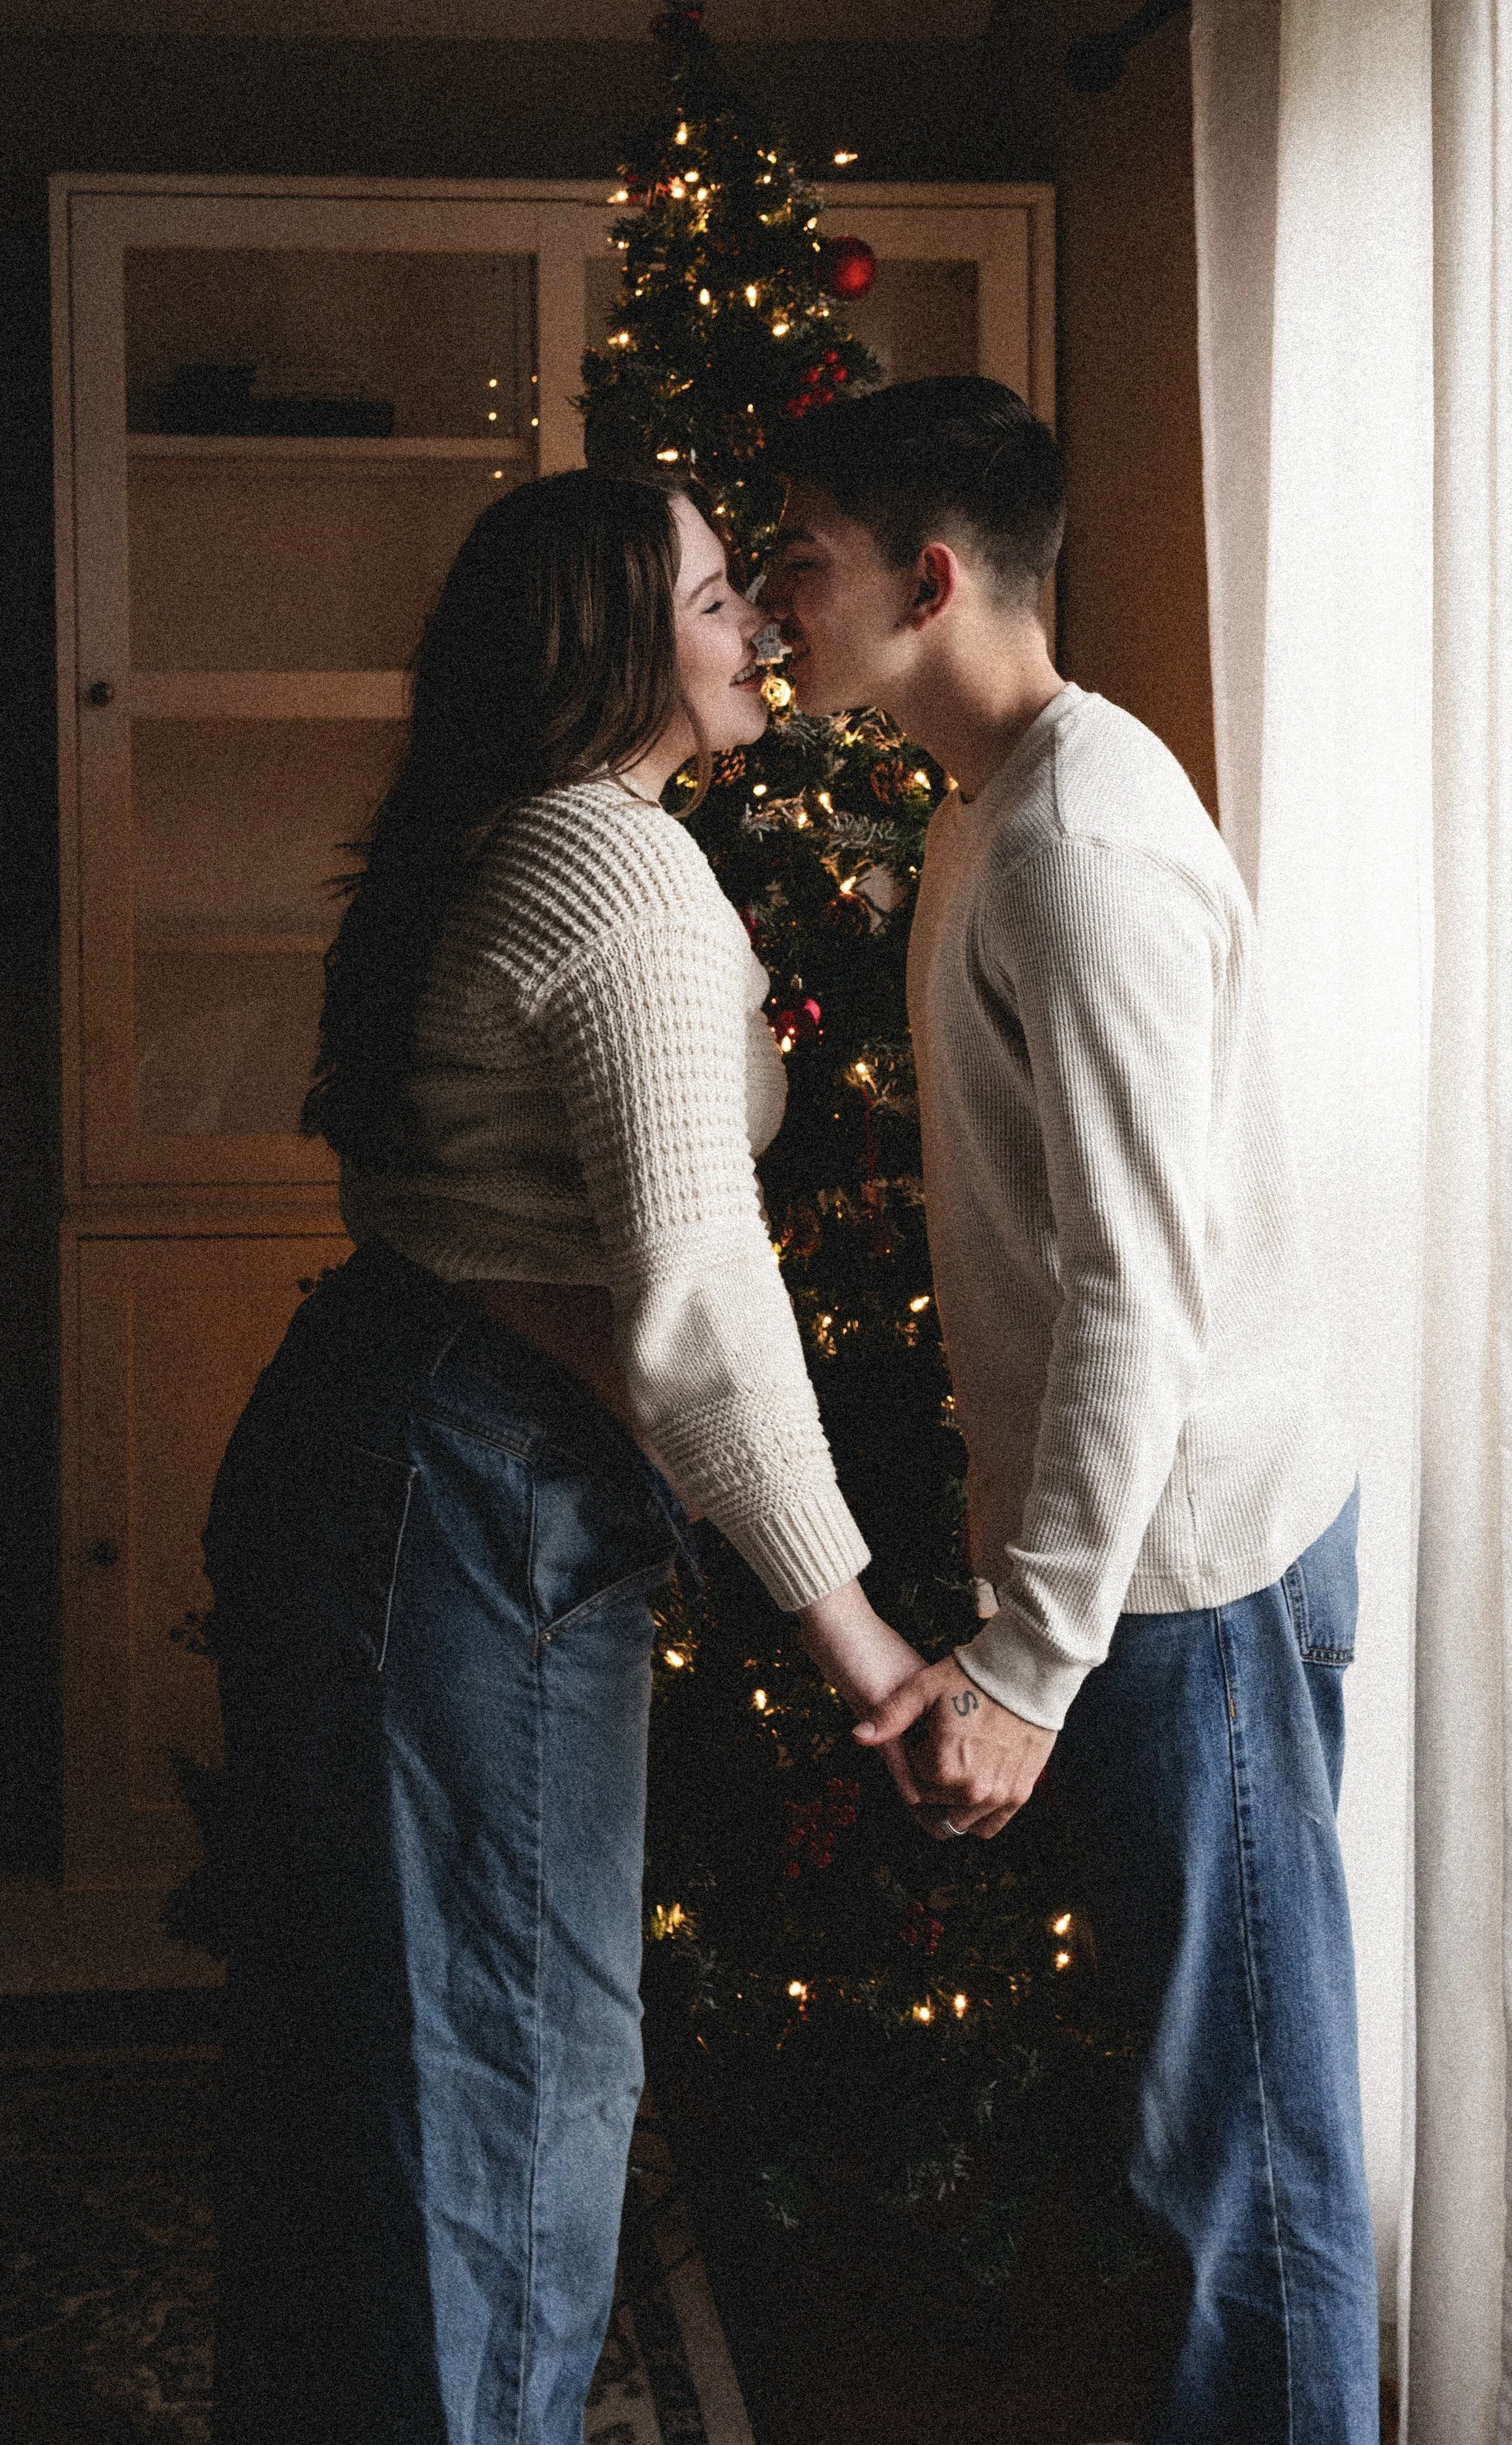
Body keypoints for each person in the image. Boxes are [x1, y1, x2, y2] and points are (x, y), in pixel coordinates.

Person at [203, 468, 925, 2445]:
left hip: (372, 1437)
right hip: (469, 1495)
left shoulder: (495, 843)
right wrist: (858, 1638)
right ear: (613, 648)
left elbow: (469, 1219)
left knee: (359, 2060)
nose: (755, 627)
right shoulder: (619, 881)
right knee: (507, 2074)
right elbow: (699, 1305)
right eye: (712, 598)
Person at [759, 376, 1379, 2445]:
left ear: (930, 581)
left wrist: (1029, 1664)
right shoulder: (996, 801)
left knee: (1246, 2154)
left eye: (806, 561)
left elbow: (1137, 1291)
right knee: (1200, 2134)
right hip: (1155, 1577)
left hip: (1196, 1580)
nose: (774, 600)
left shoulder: (1075, 849)